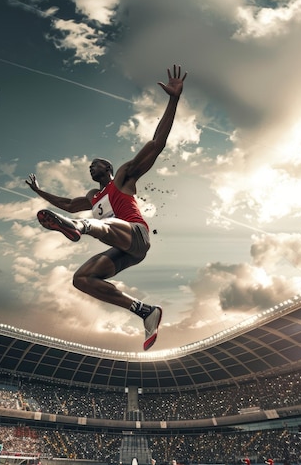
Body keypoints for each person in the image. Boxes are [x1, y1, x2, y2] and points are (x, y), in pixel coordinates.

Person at [26, 65, 187, 351]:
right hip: (124, 251)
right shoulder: (93, 197)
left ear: (109, 168)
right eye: (89, 166)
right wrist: (39, 191)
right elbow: (65, 204)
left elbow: (156, 143)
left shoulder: (124, 177)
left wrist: (173, 99)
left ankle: (78, 227)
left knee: (101, 225)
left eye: (96, 164)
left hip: (136, 236)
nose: (91, 167)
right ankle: (144, 311)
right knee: (82, 279)